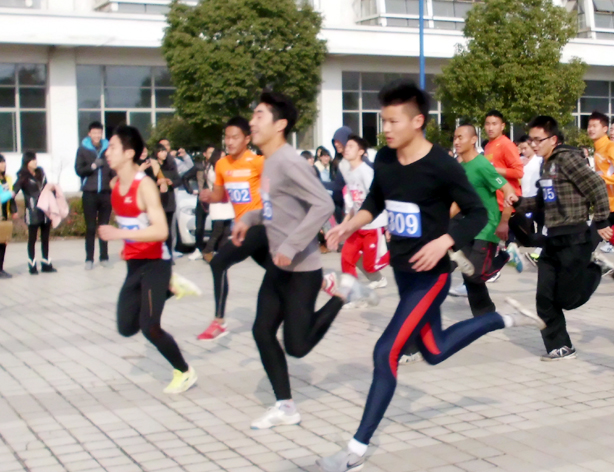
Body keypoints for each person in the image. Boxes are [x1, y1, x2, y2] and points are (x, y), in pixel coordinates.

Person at [317, 81, 544, 472]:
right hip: (403, 271)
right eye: (383, 121)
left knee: (385, 352)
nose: (386, 129)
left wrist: (444, 241)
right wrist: (349, 225)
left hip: (431, 277)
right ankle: (505, 319)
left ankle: (355, 450)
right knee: (434, 351)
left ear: (417, 121)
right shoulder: (386, 159)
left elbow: (476, 212)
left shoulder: (442, 165)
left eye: (394, 121)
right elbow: (375, 200)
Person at [233, 91, 376, 430]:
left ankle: (343, 293)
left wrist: (292, 244)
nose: (252, 122)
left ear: (280, 124)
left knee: (297, 347)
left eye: (259, 116)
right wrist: (249, 218)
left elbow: (323, 205)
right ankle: (285, 406)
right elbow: (277, 210)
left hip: (302, 270)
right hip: (278, 267)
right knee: (262, 331)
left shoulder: (289, 161)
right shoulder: (270, 161)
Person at [98, 125, 198, 394]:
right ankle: (169, 289)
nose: (107, 152)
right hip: (134, 264)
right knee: (125, 327)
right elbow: (133, 222)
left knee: (150, 327)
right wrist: (127, 243)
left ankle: (184, 372)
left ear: (129, 153)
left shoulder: (145, 186)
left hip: (156, 263)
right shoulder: (115, 185)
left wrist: (119, 233)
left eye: (113, 147)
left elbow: (161, 231)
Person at [511, 116, 612, 361]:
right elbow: (542, 200)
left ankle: (594, 270)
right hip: (552, 239)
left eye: (538, 140)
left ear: (553, 139)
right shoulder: (546, 165)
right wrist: (519, 203)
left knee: (567, 298)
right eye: (531, 140)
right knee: (544, 297)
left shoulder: (567, 159)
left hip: (573, 237)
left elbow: (597, 186)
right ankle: (560, 347)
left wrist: (601, 221)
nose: (533, 145)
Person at [197, 117, 266, 341]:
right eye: (227, 137)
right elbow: (220, 195)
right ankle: (324, 282)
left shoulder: (258, 162)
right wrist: (209, 196)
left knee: (218, 263)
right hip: (242, 228)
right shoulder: (222, 164)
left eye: (235, 137)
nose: (230, 142)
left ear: (247, 139)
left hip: (260, 226)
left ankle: (219, 322)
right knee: (280, 270)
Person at [453, 124, 518, 317]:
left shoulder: (481, 165)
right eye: (455, 137)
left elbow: (507, 189)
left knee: (476, 274)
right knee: (468, 272)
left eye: (460, 137)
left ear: (473, 140)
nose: (456, 141)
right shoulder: (461, 167)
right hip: (468, 226)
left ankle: (507, 256)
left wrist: (504, 221)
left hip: (487, 227)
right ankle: (484, 314)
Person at [339, 134, 389, 298]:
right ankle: (353, 293)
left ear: (361, 152)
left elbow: (378, 199)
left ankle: (385, 267)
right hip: (357, 225)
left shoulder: (366, 172)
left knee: (369, 264)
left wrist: (388, 225)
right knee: (346, 257)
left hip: (373, 225)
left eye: (351, 146)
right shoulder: (348, 172)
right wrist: (344, 225)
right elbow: (353, 204)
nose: (346, 149)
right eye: (346, 146)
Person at [483, 110, 524, 272]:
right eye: (487, 124)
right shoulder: (488, 146)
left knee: (490, 241)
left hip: (506, 201)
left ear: (502, 126)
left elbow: (519, 172)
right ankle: (507, 254)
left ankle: (497, 264)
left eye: (494, 124)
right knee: (493, 241)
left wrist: (494, 170)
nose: (490, 127)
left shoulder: (506, 144)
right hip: (493, 202)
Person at [75, 121, 114, 270]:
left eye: (99, 132)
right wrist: (93, 166)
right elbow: (78, 170)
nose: (97, 135)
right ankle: (89, 259)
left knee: (104, 226)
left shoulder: (108, 149)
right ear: (89, 133)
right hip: (89, 192)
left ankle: (104, 257)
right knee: (90, 227)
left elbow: (114, 169)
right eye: (94, 132)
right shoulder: (82, 149)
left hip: (105, 192)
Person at [13, 152, 57, 275]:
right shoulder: (23, 176)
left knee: (45, 237)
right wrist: (13, 209)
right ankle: (32, 264)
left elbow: (46, 187)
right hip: (32, 210)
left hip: (45, 209)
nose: (35, 162)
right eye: (32, 160)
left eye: (35, 159)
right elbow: (14, 191)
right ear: (27, 162)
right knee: (32, 238)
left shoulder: (40, 173)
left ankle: (46, 263)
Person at [587, 111, 614, 254]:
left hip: (611, 206)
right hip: (606, 205)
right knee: (589, 242)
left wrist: (598, 179)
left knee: (588, 243)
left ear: (605, 129)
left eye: (594, 126)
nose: (590, 129)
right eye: (589, 126)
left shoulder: (610, 147)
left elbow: (603, 177)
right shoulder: (598, 149)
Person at [184, 145, 216, 261]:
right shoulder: (199, 166)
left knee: (216, 226)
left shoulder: (218, 166)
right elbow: (185, 177)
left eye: (214, 153)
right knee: (199, 227)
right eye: (210, 152)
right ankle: (198, 249)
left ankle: (211, 249)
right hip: (202, 200)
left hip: (215, 199)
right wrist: (191, 190)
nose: (212, 155)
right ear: (204, 154)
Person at [150, 143, 182, 257]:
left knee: (168, 229)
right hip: (157, 201)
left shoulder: (170, 164)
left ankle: (169, 254)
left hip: (169, 200)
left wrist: (171, 182)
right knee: (157, 229)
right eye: (160, 151)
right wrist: (157, 182)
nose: (163, 153)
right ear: (156, 153)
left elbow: (178, 180)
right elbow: (146, 182)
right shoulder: (152, 166)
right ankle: (156, 255)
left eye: (164, 151)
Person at [202, 149, 234, 259]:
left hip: (227, 202)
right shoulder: (211, 170)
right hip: (217, 202)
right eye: (222, 157)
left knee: (226, 230)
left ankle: (222, 253)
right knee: (218, 230)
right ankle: (207, 251)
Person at [0, 154, 18, 278]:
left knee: (3, 242)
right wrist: (10, 194)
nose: (3, 165)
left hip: (4, 215)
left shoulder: (7, 179)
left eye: (4, 162)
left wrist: (13, 210)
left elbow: (11, 198)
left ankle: (1, 268)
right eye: (1, 162)